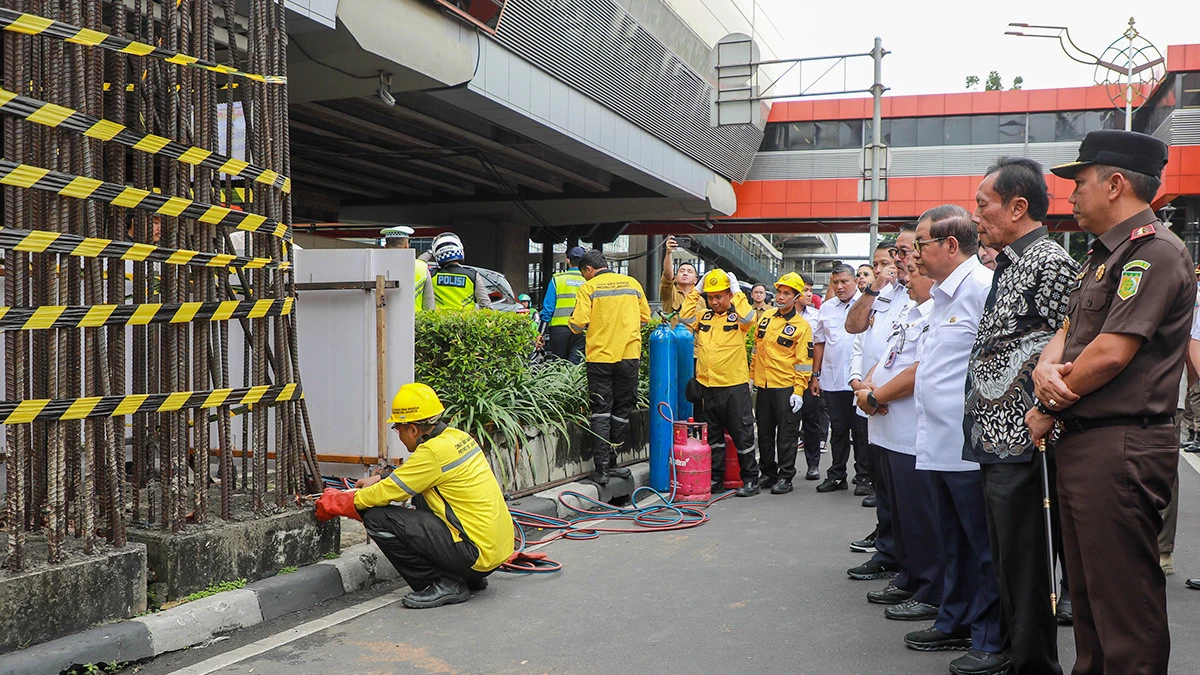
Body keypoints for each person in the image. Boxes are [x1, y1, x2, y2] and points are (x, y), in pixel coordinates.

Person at [1027, 130, 1186, 675]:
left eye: (1080, 181)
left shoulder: (1155, 252)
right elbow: (1071, 332)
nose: (1070, 195)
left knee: (1124, 610)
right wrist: (1044, 369)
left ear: (1115, 184)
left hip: (1121, 445)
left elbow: (1112, 354)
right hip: (1087, 441)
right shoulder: (1102, 256)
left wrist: (1048, 403)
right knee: (1092, 605)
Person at [965, 157, 1078, 675]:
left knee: (1028, 558)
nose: (977, 216)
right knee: (1008, 555)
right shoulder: (1010, 263)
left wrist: (1044, 411)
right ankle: (1015, 654)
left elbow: (1070, 345)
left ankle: (1034, 664)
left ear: (1018, 206)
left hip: (1025, 434)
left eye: (983, 205)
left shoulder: (1049, 262)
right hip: (995, 434)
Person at [903, 210, 1005, 675]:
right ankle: (955, 617)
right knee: (954, 543)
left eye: (921, 244)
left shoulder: (983, 287)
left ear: (949, 245)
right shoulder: (943, 296)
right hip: (939, 441)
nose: (914, 255)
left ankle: (989, 637)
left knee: (983, 547)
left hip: (970, 445)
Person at [313, 383, 514, 609]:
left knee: (377, 518)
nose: (398, 434)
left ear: (413, 429)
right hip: (496, 550)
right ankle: (470, 577)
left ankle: (443, 583)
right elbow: (418, 474)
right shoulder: (456, 437)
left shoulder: (432, 452)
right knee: (421, 495)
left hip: (475, 555)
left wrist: (341, 502)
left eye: (398, 428)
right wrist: (380, 477)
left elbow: (387, 493)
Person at [856, 258, 944, 623]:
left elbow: (917, 370)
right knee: (903, 517)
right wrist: (865, 384)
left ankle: (930, 589)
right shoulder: (910, 311)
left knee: (921, 518)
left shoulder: (935, 313)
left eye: (915, 272)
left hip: (911, 433)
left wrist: (877, 397)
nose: (905, 278)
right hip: (888, 433)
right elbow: (888, 358)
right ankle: (908, 577)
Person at [845, 227, 918, 583]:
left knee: (908, 499)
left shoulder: (925, 293)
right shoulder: (884, 293)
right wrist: (874, 287)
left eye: (899, 257)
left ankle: (909, 565)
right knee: (886, 490)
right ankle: (888, 552)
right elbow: (855, 327)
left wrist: (878, 393)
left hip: (900, 406)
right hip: (876, 404)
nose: (898, 264)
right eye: (891, 260)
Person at [569, 249, 651, 484]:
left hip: (599, 358)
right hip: (628, 356)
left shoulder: (589, 287)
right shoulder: (632, 283)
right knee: (623, 409)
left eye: (584, 273)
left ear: (588, 269)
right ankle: (613, 459)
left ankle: (602, 469)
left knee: (601, 410)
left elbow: (578, 323)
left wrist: (575, 326)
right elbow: (645, 317)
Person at [681, 268, 760, 497]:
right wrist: (696, 290)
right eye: (711, 297)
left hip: (733, 386)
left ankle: (751, 480)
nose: (714, 301)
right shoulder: (704, 317)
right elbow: (685, 316)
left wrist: (736, 290)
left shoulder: (738, 318)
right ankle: (716, 478)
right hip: (707, 387)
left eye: (719, 296)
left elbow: (749, 317)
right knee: (712, 436)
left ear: (728, 295)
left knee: (742, 434)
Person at [751, 272, 813, 495]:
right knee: (765, 432)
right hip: (764, 385)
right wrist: (751, 376)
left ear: (796, 297)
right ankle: (768, 472)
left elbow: (804, 362)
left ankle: (786, 476)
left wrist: (798, 391)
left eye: (786, 293)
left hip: (786, 386)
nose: (781, 296)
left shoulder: (802, 326)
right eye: (779, 292)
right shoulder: (766, 317)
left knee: (786, 435)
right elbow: (757, 349)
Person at [810, 264, 866, 494]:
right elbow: (820, 342)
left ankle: (864, 477)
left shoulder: (869, 303)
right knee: (839, 430)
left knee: (862, 431)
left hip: (860, 379)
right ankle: (837, 474)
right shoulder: (826, 308)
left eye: (844, 282)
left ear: (855, 281)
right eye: (836, 283)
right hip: (833, 379)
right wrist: (816, 375)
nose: (840, 287)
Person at [796, 274, 828, 480]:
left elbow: (820, 346)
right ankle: (784, 468)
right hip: (784, 378)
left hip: (808, 378)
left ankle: (813, 464)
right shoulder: (775, 316)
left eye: (810, 290)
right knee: (786, 426)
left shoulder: (817, 316)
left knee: (811, 422)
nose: (809, 294)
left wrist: (816, 376)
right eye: (805, 290)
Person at [540, 246, 588, 363]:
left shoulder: (557, 279)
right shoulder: (588, 281)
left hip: (559, 330)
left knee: (558, 364)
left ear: (567, 260)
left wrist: (540, 333)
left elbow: (548, 309)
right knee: (575, 366)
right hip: (581, 329)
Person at [427, 232, 492, 311]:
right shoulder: (472, 275)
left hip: (438, 321)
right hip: (465, 321)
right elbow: (486, 306)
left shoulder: (432, 275)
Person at [382, 225, 434, 312]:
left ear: (385, 247)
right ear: (406, 246)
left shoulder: (374, 266)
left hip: (378, 323)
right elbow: (429, 307)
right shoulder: (421, 268)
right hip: (414, 323)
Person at [661, 235, 703, 316]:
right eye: (681, 271)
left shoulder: (700, 300)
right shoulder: (670, 293)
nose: (685, 273)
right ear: (676, 278)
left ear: (695, 280)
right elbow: (667, 277)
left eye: (689, 271)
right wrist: (668, 253)